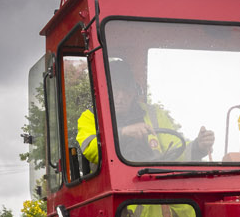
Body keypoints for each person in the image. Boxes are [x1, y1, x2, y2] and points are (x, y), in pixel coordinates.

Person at [77, 58, 214, 165]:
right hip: (118, 191)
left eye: (126, 90)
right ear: (105, 90)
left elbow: (176, 150)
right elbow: (90, 149)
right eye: (116, 89)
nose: (121, 97)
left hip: (158, 186)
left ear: (135, 91)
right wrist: (123, 133)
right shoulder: (90, 116)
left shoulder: (154, 114)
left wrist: (198, 146)